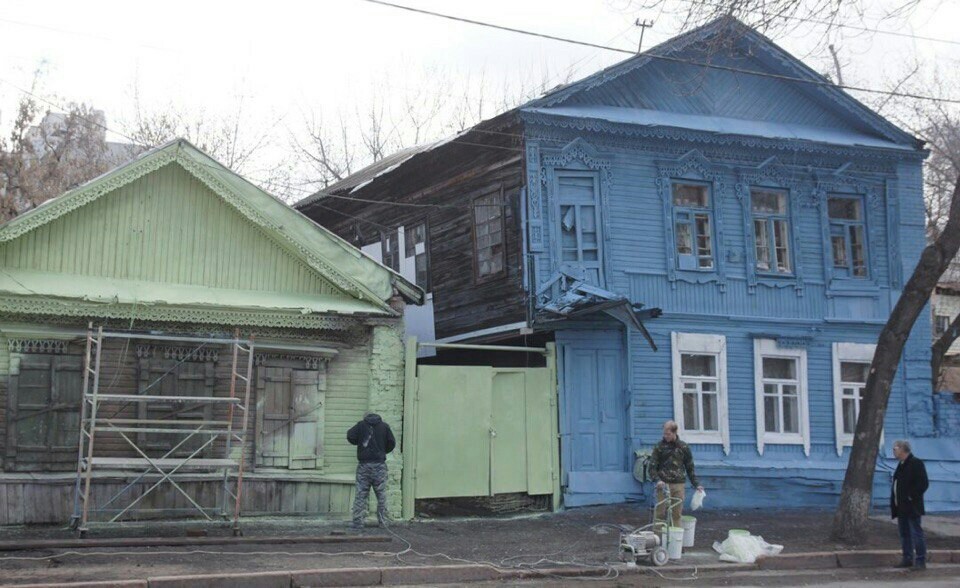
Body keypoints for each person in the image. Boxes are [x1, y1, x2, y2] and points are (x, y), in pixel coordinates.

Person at [648, 420, 704, 529]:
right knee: (660, 513)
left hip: (678, 484)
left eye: (668, 434)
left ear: (674, 433)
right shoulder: (659, 447)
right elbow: (652, 467)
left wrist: (696, 484)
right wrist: (657, 480)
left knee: (676, 514)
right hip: (663, 485)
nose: (665, 436)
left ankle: (675, 541)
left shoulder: (683, 447)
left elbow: (690, 467)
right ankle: (657, 540)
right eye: (664, 433)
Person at [347, 413, 396, 530]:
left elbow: (350, 436)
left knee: (360, 494)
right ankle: (383, 522)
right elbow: (391, 443)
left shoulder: (360, 425)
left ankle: (358, 523)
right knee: (381, 495)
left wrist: (360, 443)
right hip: (379, 465)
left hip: (364, 465)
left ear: (365, 417)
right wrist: (382, 450)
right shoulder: (384, 426)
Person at [891, 439, 929, 570]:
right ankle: (907, 558)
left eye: (895, 448)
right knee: (904, 533)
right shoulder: (901, 465)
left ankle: (920, 560)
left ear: (902, 449)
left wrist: (911, 497)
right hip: (901, 506)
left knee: (916, 533)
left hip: (912, 506)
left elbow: (923, 483)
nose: (893, 451)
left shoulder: (916, 463)